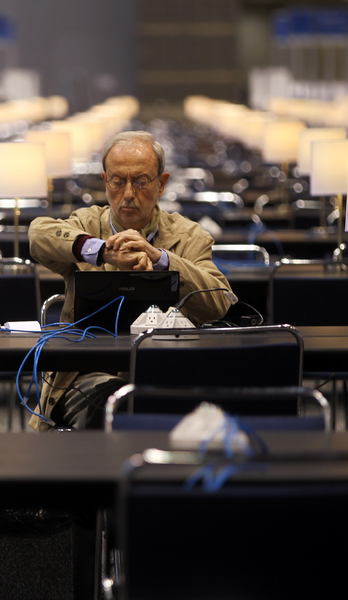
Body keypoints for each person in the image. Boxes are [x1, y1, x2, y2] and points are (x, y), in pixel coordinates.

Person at [27, 130, 233, 431]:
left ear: (161, 184)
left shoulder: (190, 236)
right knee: (114, 402)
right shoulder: (87, 223)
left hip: (165, 372)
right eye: (117, 181)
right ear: (104, 180)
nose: (127, 194)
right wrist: (101, 251)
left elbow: (219, 302)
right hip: (86, 374)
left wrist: (163, 259)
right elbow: (38, 235)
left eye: (140, 182)